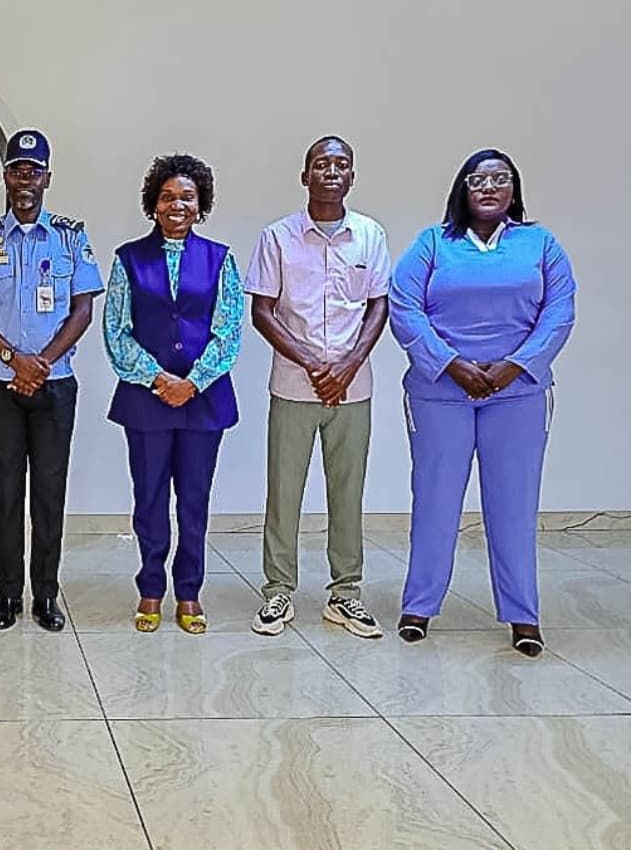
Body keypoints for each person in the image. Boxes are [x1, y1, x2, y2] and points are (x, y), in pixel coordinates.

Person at [390, 149, 575, 658]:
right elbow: (404, 306)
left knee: (514, 505)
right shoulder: (433, 243)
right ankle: (419, 605)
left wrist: (516, 364)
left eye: (500, 179)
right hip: (440, 393)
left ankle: (522, 614)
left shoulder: (540, 244)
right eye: (478, 179)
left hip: (517, 395)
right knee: (435, 500)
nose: (489, 187)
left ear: (514, 190)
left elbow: (560, 310)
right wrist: (451, 363)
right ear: (462, 189)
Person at [0, 129, 104, 631]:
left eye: (34, 171)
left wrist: (41, 364)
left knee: (49, 493)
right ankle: (8, 594)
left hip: (54, 384)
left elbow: (83, 309)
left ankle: (46, 595)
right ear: (6, 176)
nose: (25, 179)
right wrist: (14, 359)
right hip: (0, 383)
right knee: (6, 490)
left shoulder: (70, 237)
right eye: (17, 169)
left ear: (47, 178)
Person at [244, 136, 391, 639]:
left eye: (341, 164)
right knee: (283, 493)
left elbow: (378, 306)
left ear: (352, 176)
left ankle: (346, 593)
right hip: (293, 386)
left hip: (353, 388)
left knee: (347, 493)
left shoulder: (370, 235)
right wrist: (311, 363)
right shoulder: (278, 237)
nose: (332, 171)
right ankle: (278, 590)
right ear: (305, 176)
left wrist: (348, 364)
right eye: (322, 164)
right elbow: (262, 311)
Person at [104, 154, 243, 634]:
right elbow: (116, 330)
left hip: (204, 402)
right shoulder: (128, 259)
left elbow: (229, 331)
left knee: (194, 501)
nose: (177, 205)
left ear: (201, 203)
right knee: (148, 500)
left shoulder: (221, 259)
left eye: (187, 196)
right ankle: (150, 588)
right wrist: (158, 379)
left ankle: (188, 592)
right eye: (167, 197)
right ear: (153, 203)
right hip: (147, 401)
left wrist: (193, 381)